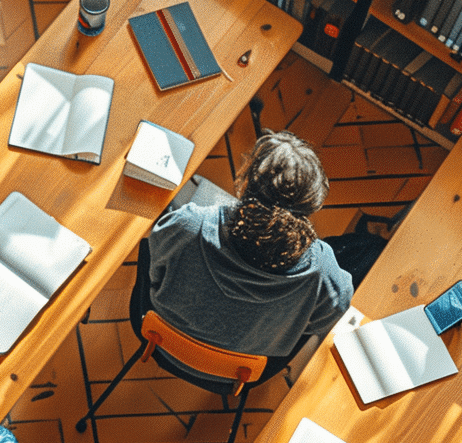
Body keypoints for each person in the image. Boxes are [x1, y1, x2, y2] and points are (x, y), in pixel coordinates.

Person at [147, 131, 353, 364]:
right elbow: (328, 316)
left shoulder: (189, 225)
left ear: (244, 183)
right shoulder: (321, 269)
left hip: (163, 340)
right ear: (312, 204)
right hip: (236, 369)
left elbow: (156, 267)